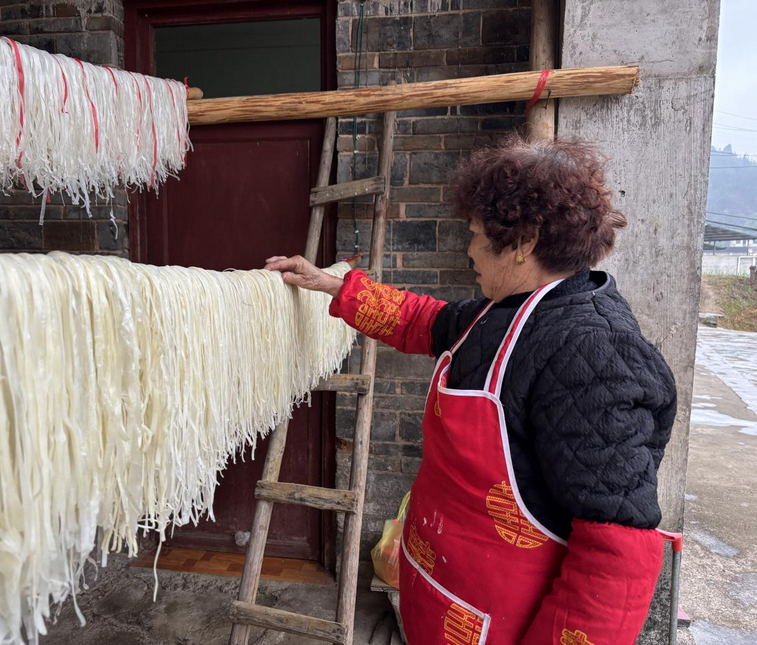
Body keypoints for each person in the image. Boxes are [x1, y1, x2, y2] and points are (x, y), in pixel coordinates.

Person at [265, 136, 677, 645]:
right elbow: (424, 320)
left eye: (478, 236)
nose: (469, 250)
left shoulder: (591, 353)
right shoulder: (501, 311)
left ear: (524, 241)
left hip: (501, 626)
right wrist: (334, 285)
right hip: (442, 597)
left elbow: (619, 555)